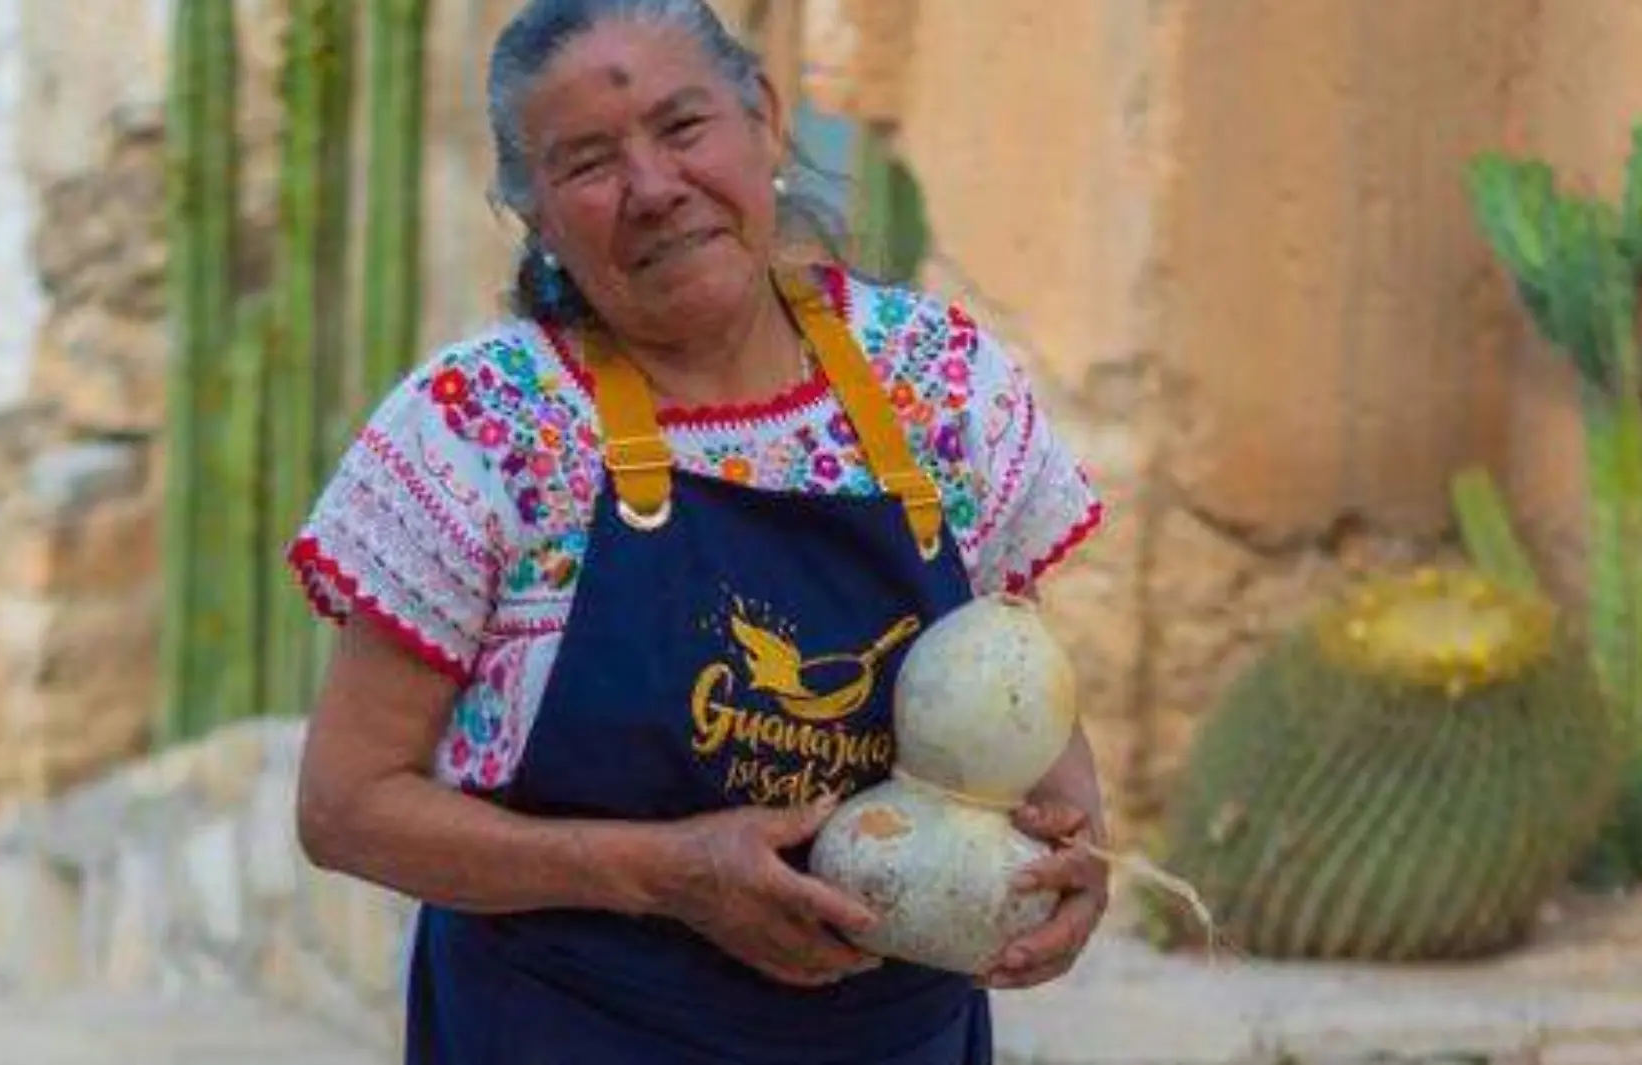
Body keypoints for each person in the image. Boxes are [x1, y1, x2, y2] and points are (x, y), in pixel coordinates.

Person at [287, 1, 1112, 1061]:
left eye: (683, 128)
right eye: (587, 162)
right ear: (531, 208)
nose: (652, 187)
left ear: (763, 116)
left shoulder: (937, 380)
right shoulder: (479, 427)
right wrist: (665, 873)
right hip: (570, 1031)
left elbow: (1018, 698)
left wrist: (1070, 852)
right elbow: (347, 808)